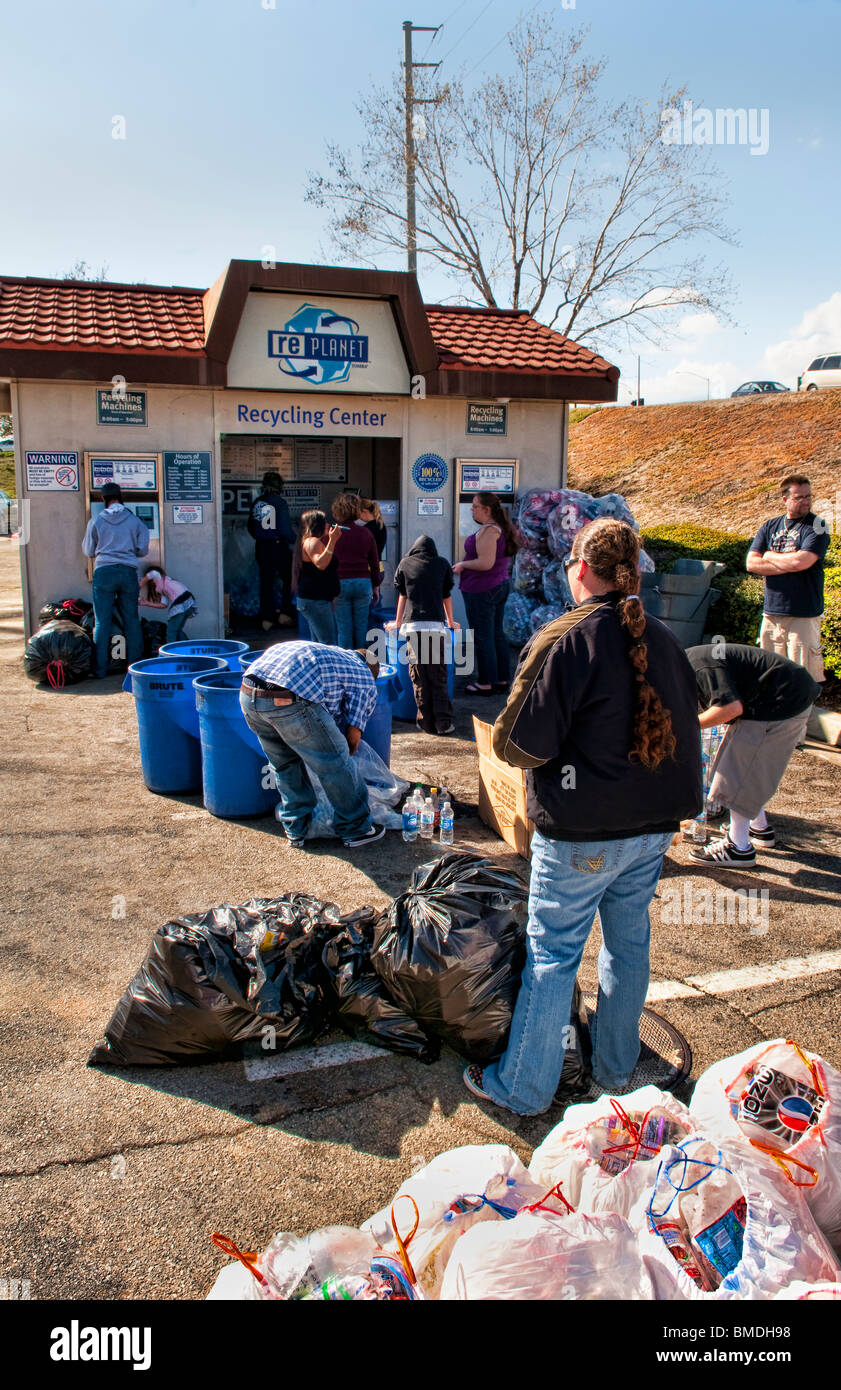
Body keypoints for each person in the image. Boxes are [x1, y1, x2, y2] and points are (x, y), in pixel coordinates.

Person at [461, 518, 702, 1116]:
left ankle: (524, 1087)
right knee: (628, 946)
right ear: (634, 572)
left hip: (581, 833)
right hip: (651, 829)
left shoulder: (568, 637)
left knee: (553, 958)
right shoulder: (664, 639)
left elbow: (515, 745)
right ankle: (617, 1072)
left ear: (579, 570)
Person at [686, 642, 821, 868]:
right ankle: (759, 828)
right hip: (788, 693)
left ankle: (738, 847)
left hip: (779, 700)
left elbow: (730, 709)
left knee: (737, 770)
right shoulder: (693, 660)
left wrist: (683, 725)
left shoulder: (699, 666)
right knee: (744, 765)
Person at [239, 641, 386, 849]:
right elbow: (352, 740)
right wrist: (336, 758)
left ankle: (296, 830)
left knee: (284, 764)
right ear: (373, 673)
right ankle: (356, 829)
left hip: (248, 694)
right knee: (336, 762)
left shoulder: (334, 655)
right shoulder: (365, 677)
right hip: (289, 699)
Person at [746, 474, 829, 682]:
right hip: (772, 613)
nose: (806, 501)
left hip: (803, 613)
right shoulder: (769, 526)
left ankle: (804, 715)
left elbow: (802, 563)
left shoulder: (817, 526)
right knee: (770, 673)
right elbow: (751, 564)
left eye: (808, 496)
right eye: (799, 497)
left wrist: (769, 556)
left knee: (804, 678)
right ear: (785, 499)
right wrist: (790, 564)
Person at [388, 535, 459, 735]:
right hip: (435, 627)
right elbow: (446, 596)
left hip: (413, 628)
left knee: (419, 675)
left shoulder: (404, 564)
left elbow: (403, 596)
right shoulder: (442, 564)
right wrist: (451, 622)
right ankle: (443, 723)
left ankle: (425, 722)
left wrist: (397, 622)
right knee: (437, 675)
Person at [452, 492, 518, 694]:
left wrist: (462, 564)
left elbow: (485, 563)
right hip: (498, 586)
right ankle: (501, 679)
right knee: (496, 634)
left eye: (475, 506)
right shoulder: (500, 529)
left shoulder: (490, 531)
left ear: (487, 509)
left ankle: (485, 682)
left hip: (483, 589)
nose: (471, 510)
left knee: (483, 636)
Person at [81, 482, 149, 679]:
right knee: (131, 620)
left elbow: (88, 551)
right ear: (121, 497)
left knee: (102, 622)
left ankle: (100, 670)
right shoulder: (135, 520)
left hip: (104, 573)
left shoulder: (96, 520)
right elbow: (143, 549)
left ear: (103, 500)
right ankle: (135, 669)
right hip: (128, 572)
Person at [248, 471, 296, 633]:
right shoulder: (280, 503)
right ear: (279, 487)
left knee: (266, 582)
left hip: (262, 547)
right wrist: (296, 541)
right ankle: (284, 613)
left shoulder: (257, 502)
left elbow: (251, 527)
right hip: (278, 546)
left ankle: (266, 618)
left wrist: (261, 537)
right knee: (288, 579)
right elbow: (285, 530)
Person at [331, 493, 380, 648]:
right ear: (357, 511)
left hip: (339, 582)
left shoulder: (332, 533)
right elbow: (374, 563)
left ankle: (346, 664)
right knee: (361, 627)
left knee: (344, 629)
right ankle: (361, 662)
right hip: (363, 582)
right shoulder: (366, 533)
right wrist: (376, 585)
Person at [292, 510, 341, 645]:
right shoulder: (312, 542)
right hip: (315, 601)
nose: (328, 525)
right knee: (328, 644)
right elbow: (321, 563)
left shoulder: (311, 542)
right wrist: (333, 540)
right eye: (324, 522)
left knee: (319, 643)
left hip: (316, 600)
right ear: (316, 525)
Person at [138, 566, 198, 643]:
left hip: (181, 603)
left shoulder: (160, 578)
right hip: (189, 603)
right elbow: (164, 604)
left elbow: (154, 573)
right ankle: (185, 648)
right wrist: (146, 603)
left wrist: (141, 582)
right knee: (177, 630)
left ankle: (170, 652)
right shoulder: (163, 586)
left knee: (171, 632)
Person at [359, 498, 387, 578]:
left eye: (358, 513)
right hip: (379, 568)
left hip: (368, 569)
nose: (358, 516)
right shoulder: (381, 525)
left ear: (365, 511)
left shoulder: (367, 529)